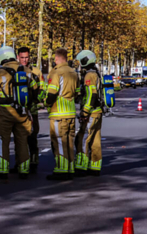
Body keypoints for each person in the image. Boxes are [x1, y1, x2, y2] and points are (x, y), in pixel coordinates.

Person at [0, 46, 36, 180]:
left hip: (5, 112)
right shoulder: (26, 70)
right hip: (23, 112)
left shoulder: (1, 72)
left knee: (2, 141)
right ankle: (24, 170)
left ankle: (2, 170)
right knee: (22, 141)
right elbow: (36, 88)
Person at [44, 48, 79, 180]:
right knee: (69, 141)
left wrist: (46, 103)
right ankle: (70, 167)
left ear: (58, 58)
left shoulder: (57, 72)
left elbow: (52, 92)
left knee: (59, 141)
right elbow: (77, 92)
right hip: (71, 113)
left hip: (58, 113)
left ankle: (61, 169)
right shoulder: (74, 72)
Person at [73, 49, 104, 175]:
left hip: (91, 112)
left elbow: (92, 94)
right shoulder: (95, 73)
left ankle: (82, 166)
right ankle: (95, 166)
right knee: (95, 139)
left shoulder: (89, 75)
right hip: (97, 111)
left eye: (80, 62)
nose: (79, 64)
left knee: (83, 138)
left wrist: (85, 112)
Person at [17, 46, 44, 173]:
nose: (24, 60)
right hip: (17, 109)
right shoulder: (15, 70)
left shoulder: (36, 72)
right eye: (22, 57)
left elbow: (42, 89)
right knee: (19, 138)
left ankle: (33, 162)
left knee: (32, 136)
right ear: (18, 57)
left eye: (26, 57)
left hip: (31, 109)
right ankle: (20, 163)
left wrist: (36, 99)